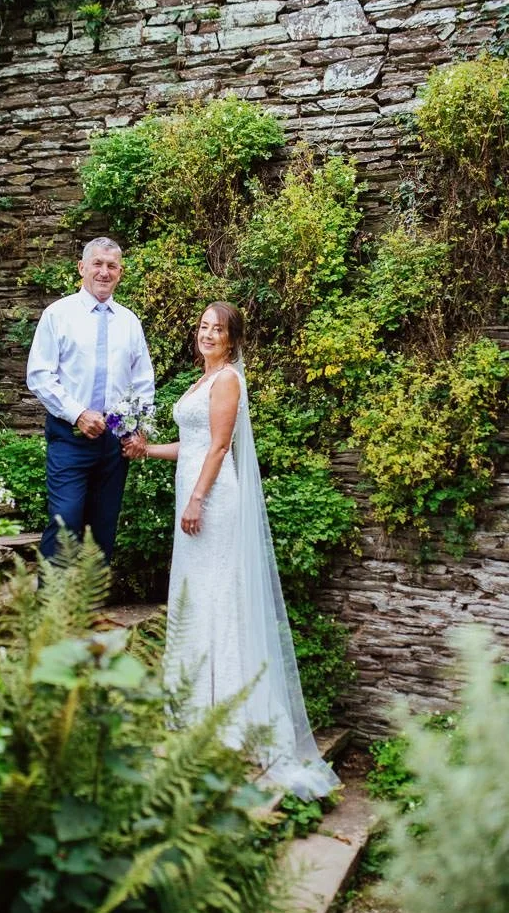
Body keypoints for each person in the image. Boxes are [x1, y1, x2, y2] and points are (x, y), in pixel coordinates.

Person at [124, 302, 338, 800]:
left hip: (213, 501)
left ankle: (228, 718)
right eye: (201, 326)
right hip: (194, 494)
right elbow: (193, 443)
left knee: (217, 595)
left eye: (216, 329)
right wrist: (147, 450)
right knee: (195, 596)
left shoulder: (227, 382)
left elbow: (219, 448)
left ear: (232, 338)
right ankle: (196, 706)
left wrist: (197, 498)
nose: (207, 334)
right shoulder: (201, 381)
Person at [27, 237, 154, 562]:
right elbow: (39, 374)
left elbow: (142, 382)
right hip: (70, 435)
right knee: (65, 519)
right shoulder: (58, 315)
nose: (104, 272)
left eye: (111, 266)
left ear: (120, 272)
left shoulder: (129, 322)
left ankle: (91, 609)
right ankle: (50, 610)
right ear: (82, 267)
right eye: (97, 264)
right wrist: (79, 413)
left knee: (102, 528)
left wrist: (138, 429)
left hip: (115, 439)